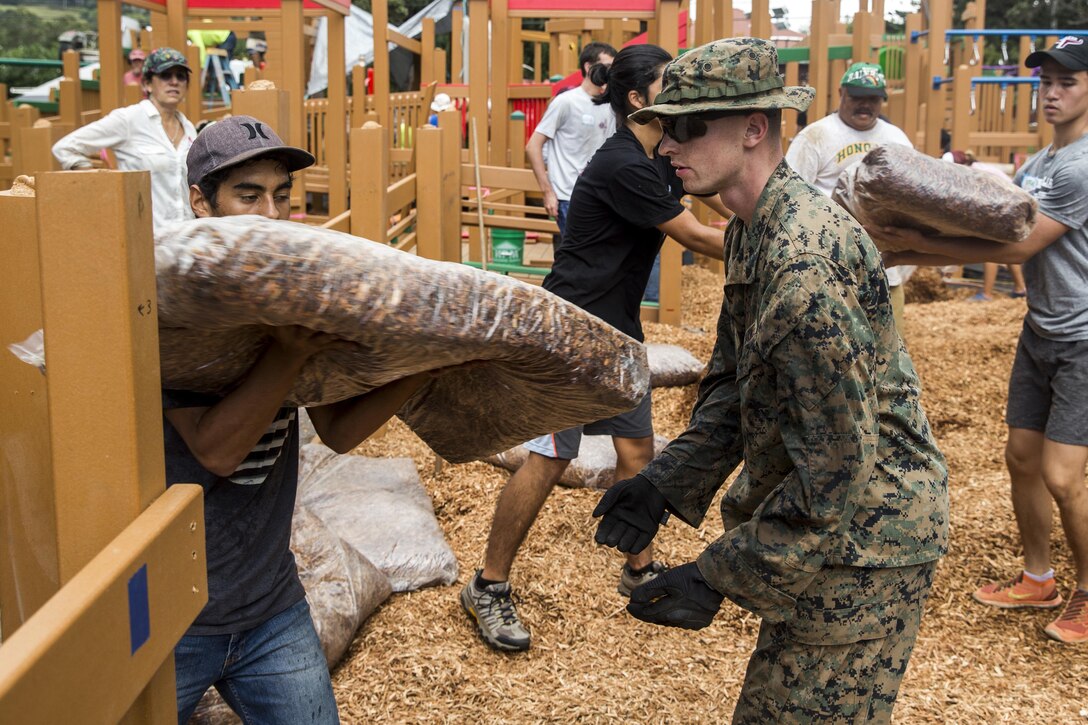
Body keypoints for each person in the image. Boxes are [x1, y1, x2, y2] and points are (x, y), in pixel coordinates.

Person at [592, 38, 949, 723]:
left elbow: (838, 468)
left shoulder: (803, 270)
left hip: (871, 539)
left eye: (689, 127)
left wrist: (715, 573)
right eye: (664, 126)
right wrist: (667, 482)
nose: (667, 146)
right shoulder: (750, 230)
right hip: (828, 530)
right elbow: (732, 387)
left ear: (755, 129)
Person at [172, 115, 448, 722]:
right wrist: (290, 352)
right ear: (200, 202)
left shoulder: (285, 296)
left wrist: (425, 367)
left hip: (271, 607)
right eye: (248, 195)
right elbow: (216, 452)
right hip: (175, 623)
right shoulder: (177, 314)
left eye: (282, 196)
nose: (271, 213)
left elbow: (338, 431)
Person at [460, 44, 730, 654]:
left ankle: (638, 568)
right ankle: (487, 585)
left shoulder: (661, 155)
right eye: (671, 83)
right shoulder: (621, 165)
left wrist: (757, 204)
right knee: (550, 459)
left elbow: (711, 194)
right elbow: (690, 232)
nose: (682, 91)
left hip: (617, 334)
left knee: (637, 451)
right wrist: (771, 244)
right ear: (639, 99)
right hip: (573, 334)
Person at [875, 36, 1088, 644]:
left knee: (1064, 476)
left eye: (1066, 83)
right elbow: (998, 214)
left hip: (1082, 338)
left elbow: (1018, 246)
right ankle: (1038, 576)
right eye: (1045, 81)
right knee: (1021, 458)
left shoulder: (1081, 167)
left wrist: (910, 249)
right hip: (1043, 329)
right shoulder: (1043, 162)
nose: (1051, 92)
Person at [785, 61, 914, 329]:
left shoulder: (897, 139)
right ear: (842, 93)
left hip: (885, 271)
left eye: (873, 99)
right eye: (857, 97)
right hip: (829, 270)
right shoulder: (815, 136)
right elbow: (789, 197)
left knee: (890, 353)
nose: (865, 105)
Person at [53, 47, 196, 231]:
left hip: (187, 241)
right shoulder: (129, 119)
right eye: (165, 75)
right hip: (147, 239)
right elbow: (65, 147)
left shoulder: (189, 128)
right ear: (148, 84)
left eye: (181, 76)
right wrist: (98, 180)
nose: (174, 82)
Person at [525, 41, 617, 250]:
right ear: (588, 67)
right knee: (580, 257)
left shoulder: (610, 105)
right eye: (608, 66)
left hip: (601, 196)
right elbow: (533, 146)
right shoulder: (566, 102)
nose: (612, 72)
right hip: (569, 195)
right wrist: (548, 192)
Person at [941, 150, 1028, 301]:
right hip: (1008, 205)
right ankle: (1021, 288)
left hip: (1006, 205)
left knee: (991, 247)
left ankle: (987, 294)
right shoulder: (975, 168)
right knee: (1003, 246)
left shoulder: (975, 174)